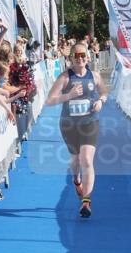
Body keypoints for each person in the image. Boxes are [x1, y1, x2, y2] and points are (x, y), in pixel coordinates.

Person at [45, 42, 108, 219]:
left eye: (83, 55)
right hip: (69, 125)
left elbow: (104, 92)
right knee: (75, 160)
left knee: (86, 159)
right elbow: (49, 101)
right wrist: (69, 96)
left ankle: (86, 202)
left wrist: (100, 102)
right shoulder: (65, 77)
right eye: (76, 56)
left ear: (88, 58)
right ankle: (76, 179)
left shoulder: (94, 76)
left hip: (90, 122)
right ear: (71, 58)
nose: (80, 58)